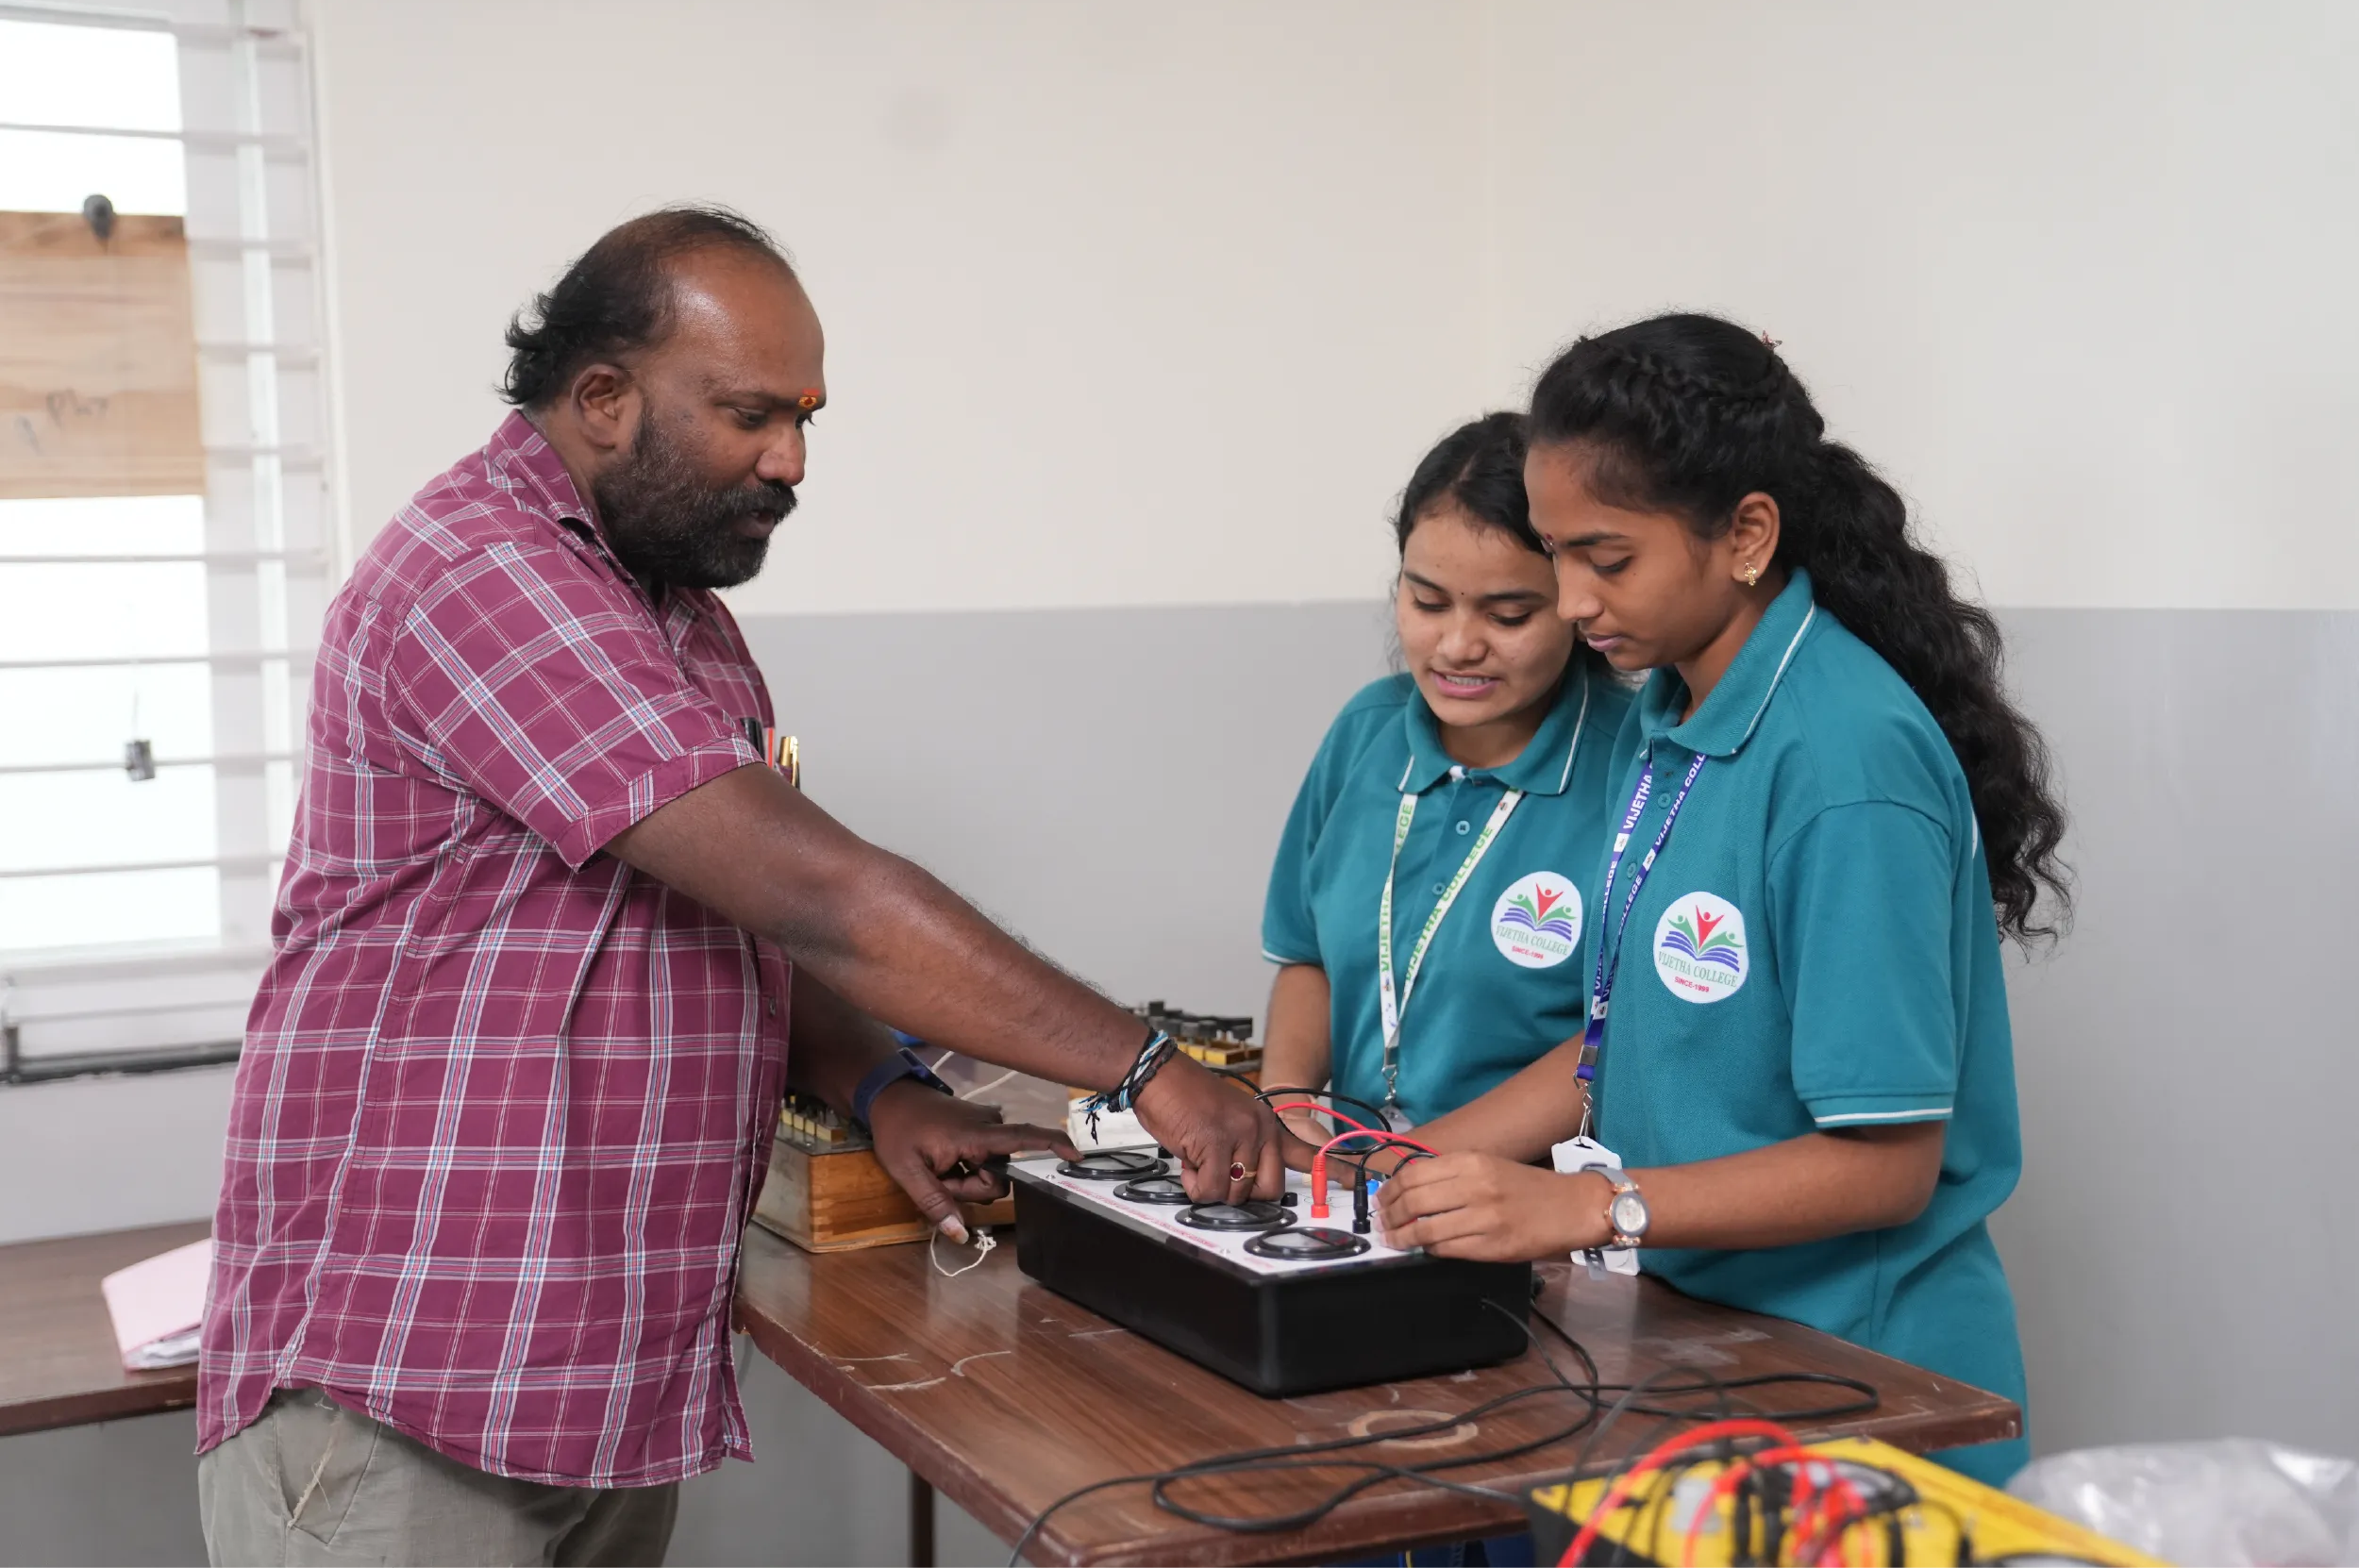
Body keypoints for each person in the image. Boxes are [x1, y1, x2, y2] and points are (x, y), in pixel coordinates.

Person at [194, 206, 1283, 1568]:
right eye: (752, 414)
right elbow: (824, 892)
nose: (793, 459)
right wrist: (1150, 1068)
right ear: (602, 397)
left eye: (808, 417)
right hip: (411, 1384)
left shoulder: (677, 613)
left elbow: (737, 912)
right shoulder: (484, 573)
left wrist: (882, 1084)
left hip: (590, 1381)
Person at [1378, 314, 2068, 1489]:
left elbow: (1883, 1167)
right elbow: (1635, 1040)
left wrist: (1582, 1206)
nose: (1574, 599)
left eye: (1608, 557)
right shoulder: (1672, 716)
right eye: (1555, 554)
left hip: (1867, 1382)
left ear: (1746, 532)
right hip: (1704, 1351)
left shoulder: (1846, 764)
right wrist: (1404, 1173)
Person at [1259, 413, 1633, 1146]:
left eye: (1510, 613)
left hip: (1535, 1202)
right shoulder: (1367, 731)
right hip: (1361, 1178)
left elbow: (1620, 1039)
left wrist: (1424, 1161)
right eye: (1427, 602)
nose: (1458, 645)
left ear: (1574, 602)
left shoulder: (1636, 764)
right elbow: (1309, 957)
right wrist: (1288, 1109)